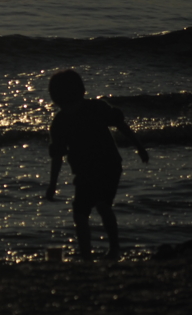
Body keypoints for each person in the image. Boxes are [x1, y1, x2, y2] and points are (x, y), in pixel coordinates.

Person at [45, 69, 149, 260]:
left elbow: (120, 125)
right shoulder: (60, 122)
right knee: (81, 212)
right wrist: (52, 184)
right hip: (84, 171)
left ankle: (113, 249)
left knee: (102, 205)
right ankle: (87, 255)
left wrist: (139, 146)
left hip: (108, 165)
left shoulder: (95, 109)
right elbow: (57, 155)